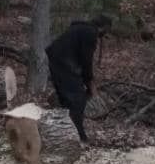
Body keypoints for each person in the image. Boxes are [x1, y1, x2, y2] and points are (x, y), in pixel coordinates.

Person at [46, 14, 112, 142]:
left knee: (66, 100)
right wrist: (90, 82)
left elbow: (80, 58)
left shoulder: (80, 28)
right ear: (104, 27)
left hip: (56, 60)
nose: (104, 34)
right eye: (107, 30)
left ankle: (63, 134)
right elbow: (86, 61)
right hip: (63, 63)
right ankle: (79, 137)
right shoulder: (90, 33)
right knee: (77, 100)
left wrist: (85, 80)